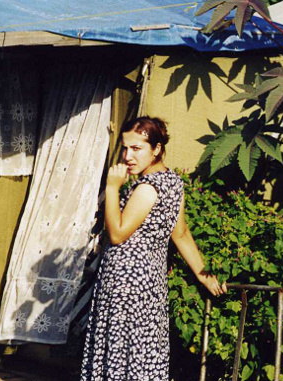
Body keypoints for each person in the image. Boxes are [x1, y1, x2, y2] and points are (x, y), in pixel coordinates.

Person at [80, 116, 227, 380]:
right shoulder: (172, 182)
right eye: (125, 148)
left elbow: (117, 234)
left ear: (156, 149)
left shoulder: (148, 188)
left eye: (137, 149)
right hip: (149, 287)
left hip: (126, 287)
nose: (127, 156)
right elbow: (180, 234)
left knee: (121, 357)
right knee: (140, 355)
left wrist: (112, 188)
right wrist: (204, 275)